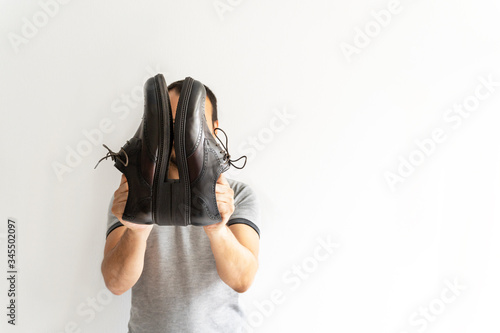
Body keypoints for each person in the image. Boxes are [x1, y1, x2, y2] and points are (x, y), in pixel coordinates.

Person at [101, 79, 261, 332]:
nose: (181, 136)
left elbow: (242, 280)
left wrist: (217, 228)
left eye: (193, 125)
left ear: (214, 130)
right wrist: (137, 229)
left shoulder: (237, 195)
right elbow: (115, 283)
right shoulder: (129, 197)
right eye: (172, 126)